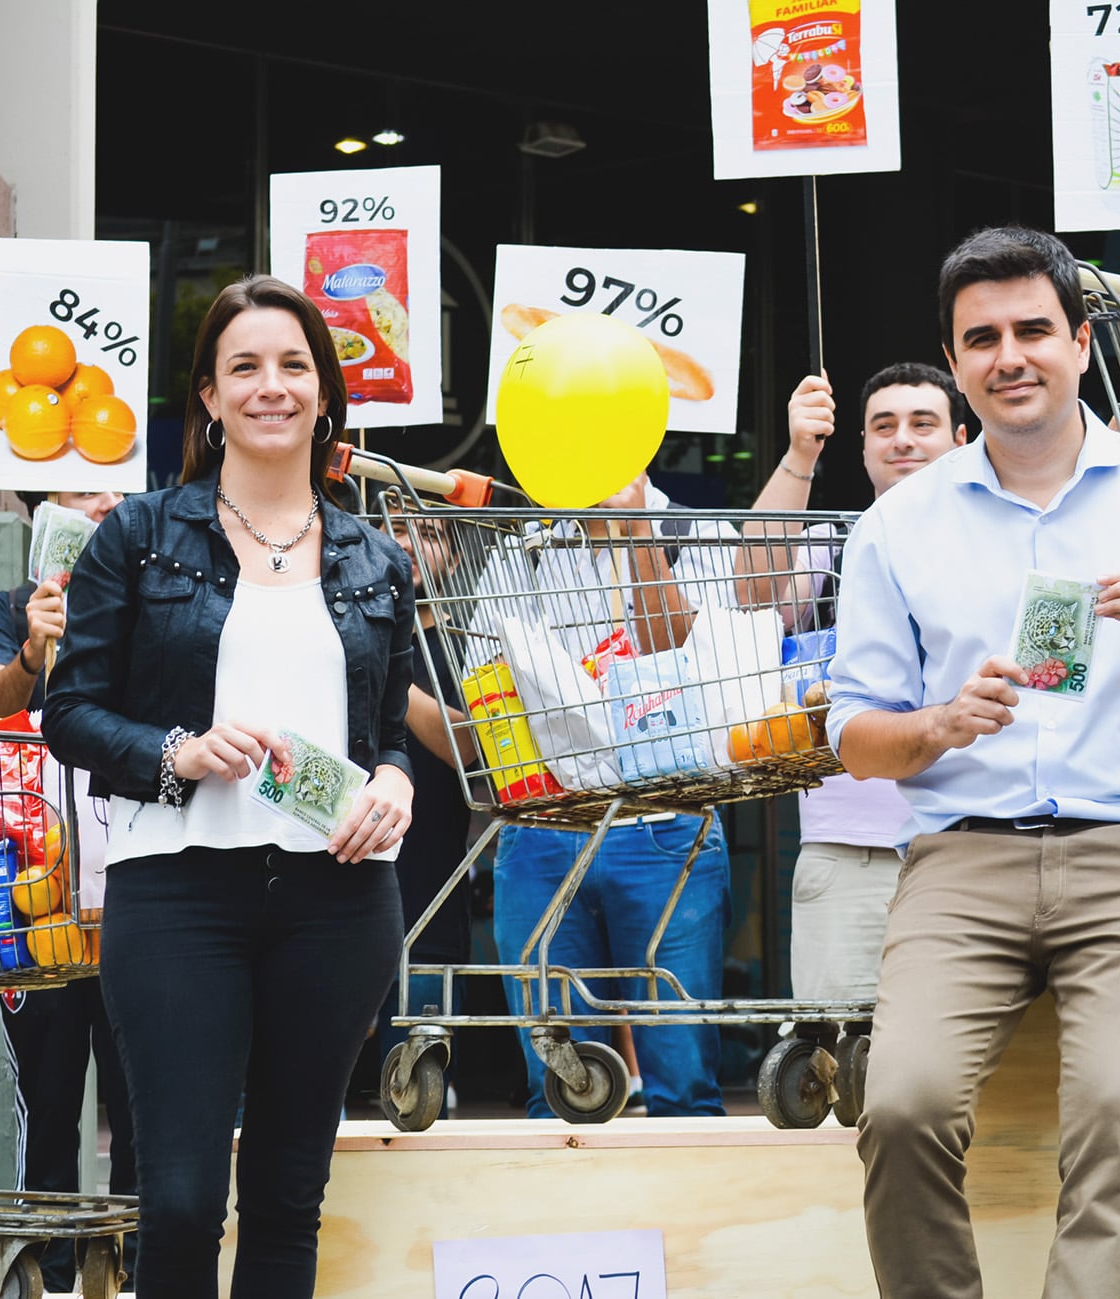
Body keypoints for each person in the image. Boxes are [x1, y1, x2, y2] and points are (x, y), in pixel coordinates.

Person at [826, 226, 1120, 1299]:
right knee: (898, 1107)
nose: (1010, 356)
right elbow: (855, 735)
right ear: (955, 365)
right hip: (961, 862)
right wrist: (941, 724)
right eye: (980, 338)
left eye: (1033, 329)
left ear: (1082, 342)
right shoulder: (895, 528)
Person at [43, 274, 415, 1299]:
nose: (271, 386)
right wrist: (181, 752)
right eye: (243, 366)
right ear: (206, 396)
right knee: (179, 1201)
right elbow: (68, 713)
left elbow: (392, 734)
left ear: (326, 393)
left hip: (339, 898)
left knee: (289, 1200)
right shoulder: (140, 535)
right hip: (176, 892)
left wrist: (395, 782)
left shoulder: (375, 558)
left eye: (293, 365)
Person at [476, 471, 738, 1118]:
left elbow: (694, 658)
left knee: (682, 1083)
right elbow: (484, 684)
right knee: (559, 1088)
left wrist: (637, 530)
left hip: (667, 821)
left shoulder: (701, 535)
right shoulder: (524, 549)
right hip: (543, 827)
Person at [742, 363, 967, 1005]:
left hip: (976, 841)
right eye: (883, 426)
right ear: (864, 447)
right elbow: (748, 596)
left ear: (962, 437)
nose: (902, 439)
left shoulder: (1009, 540)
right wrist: (799, 455)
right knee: (842, 1056)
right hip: (850, 852)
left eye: (923, 424)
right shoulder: (831, 544)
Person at [0, 487, 135, 1294]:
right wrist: (34, 650)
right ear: (44, 510)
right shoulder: (4, 607)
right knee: (51, 1098)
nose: (103, 502)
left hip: (135, 897)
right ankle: (50, 1265)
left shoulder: (143, 603)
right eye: (82, 494)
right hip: (38, 905)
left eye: (116, 491)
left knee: (143, 1096)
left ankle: (138, 1257)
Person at [377, 506, 474, 1080]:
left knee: (417, 1077)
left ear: (455, 558)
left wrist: (390, 667)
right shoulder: (336, 625)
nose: (406, 541)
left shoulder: (470, 641)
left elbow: (468, 750)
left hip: (429, 894)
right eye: (389, 527)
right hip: (337, 878)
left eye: (429, 533)